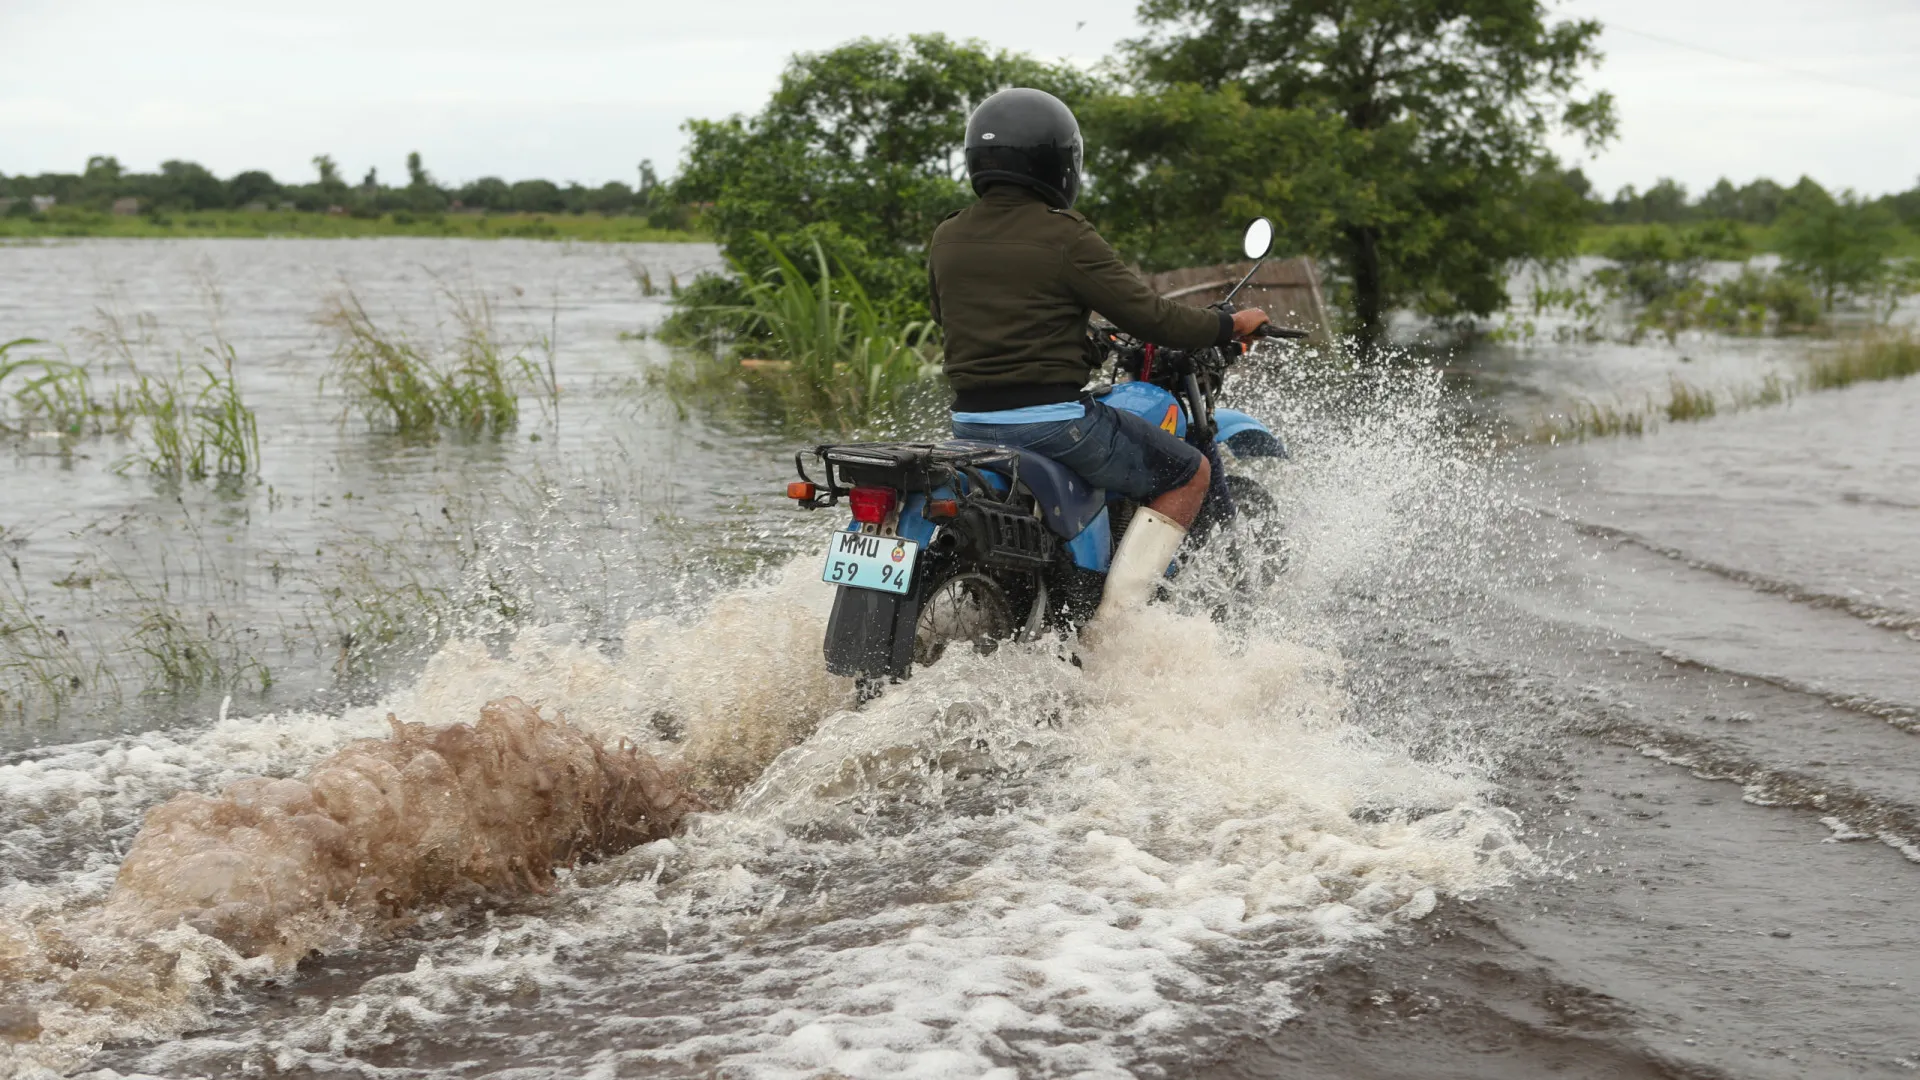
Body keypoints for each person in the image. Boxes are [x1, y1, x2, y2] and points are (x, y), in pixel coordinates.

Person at [927, 86, 1270, 626]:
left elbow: (963, 320)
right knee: (1190, 473)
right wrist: (1231, 323)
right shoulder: (1064, 235)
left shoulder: (948, 235)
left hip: (969, 422)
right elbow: (1155, 319)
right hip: (1051, 425)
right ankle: (1116, 630)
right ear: (1059, 161)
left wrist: (1080, 343)